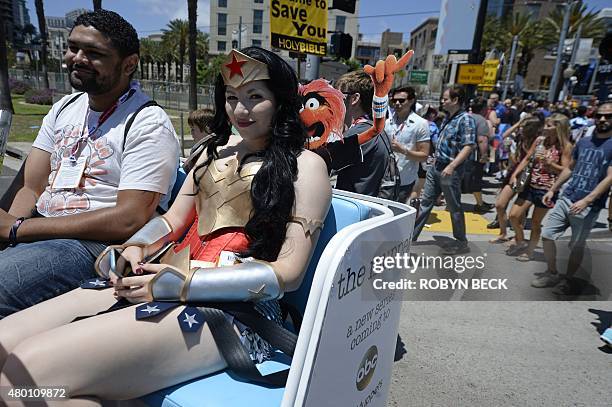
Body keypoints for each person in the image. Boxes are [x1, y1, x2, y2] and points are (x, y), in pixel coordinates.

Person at [0, 47, 333, 404]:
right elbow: (172, 221)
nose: (240, 110)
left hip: (238, 311)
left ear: (280, 101)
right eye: (232, 97)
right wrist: (136, 246)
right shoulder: (211, 153)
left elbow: (289, 272)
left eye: (255, 97)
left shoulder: (307, 166)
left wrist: (184, 285)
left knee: (25, 376)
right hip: (159, 279)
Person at [0, 10, 180, 318]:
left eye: (94, 53)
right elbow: (31, 185)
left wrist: (18, 230)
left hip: (93, 246)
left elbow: (130, 219)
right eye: (73, 48)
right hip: (38, 231)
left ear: (129, 64)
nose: (78, 58)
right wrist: (7, 234)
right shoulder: (64, 107)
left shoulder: (148, 122)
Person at [533, 101, 612, 291]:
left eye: (608, 116)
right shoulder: (584, 141)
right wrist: (554, 188)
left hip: (588, 205)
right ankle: (552, 273)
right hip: (567, 196)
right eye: (599, 115)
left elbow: (610, 177)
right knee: (547, 234)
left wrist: (588, 200)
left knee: (576, 245)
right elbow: (570, 168)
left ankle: (568, 280)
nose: (603, 119)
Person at [411, 85, 476, 254]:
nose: (442, 101)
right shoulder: (448, 117)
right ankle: (411, 238)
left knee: (454, 207)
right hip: (436, 167)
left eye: (446, 99)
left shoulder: (465, 119)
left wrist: (452, 166)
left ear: (455, 100)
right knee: (425, 203)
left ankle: (461, 242)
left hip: (450, 170)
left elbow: (469, 146)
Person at [506, 113, 572, 261]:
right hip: (530, 184)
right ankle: (521, 241)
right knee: (514, 215)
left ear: (558, 128)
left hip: (547, 189)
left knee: (536, 222)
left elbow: (566, 170)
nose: (545, 128)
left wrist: (550, 164)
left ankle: (529, 251)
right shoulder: (540, 141)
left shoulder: (565, 146)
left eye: (549, 126)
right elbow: (527, 158)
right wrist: (515, 174)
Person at [334, 70, 391, 196]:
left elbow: (322, 165)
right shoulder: (373, 129)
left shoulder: (357, 135)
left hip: (353, 209)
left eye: (337, 94)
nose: (333, 98)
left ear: (354, 99)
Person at [488, 116, 543, 243]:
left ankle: (518, 236)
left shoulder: (539, 141)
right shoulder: (520, 138)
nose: (520, 128)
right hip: (515, 172)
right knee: (500, 204)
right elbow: (504, 137)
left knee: (520, 210)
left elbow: (530, 160)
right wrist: (518, 123)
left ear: (532, 129)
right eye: (520, 126)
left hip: (529, 175)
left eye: (524, 126)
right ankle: (503, 233)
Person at [385, 86, 430, 203]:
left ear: (411, 101)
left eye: (401, 100)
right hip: (384, 179)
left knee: (396, 215)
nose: (397, 103)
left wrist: (403, 150)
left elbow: (424, 155)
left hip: (404, 180)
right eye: (394, 100)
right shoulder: (387, 122)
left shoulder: (420, 124)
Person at [464, 97, 493, 213]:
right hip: (473, 155)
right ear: (484, 109)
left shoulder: (464, 117)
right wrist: (484, 155)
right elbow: (482, 140)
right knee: (476, 180)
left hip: (458, 154)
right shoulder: (481, 120)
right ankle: (480, 204)